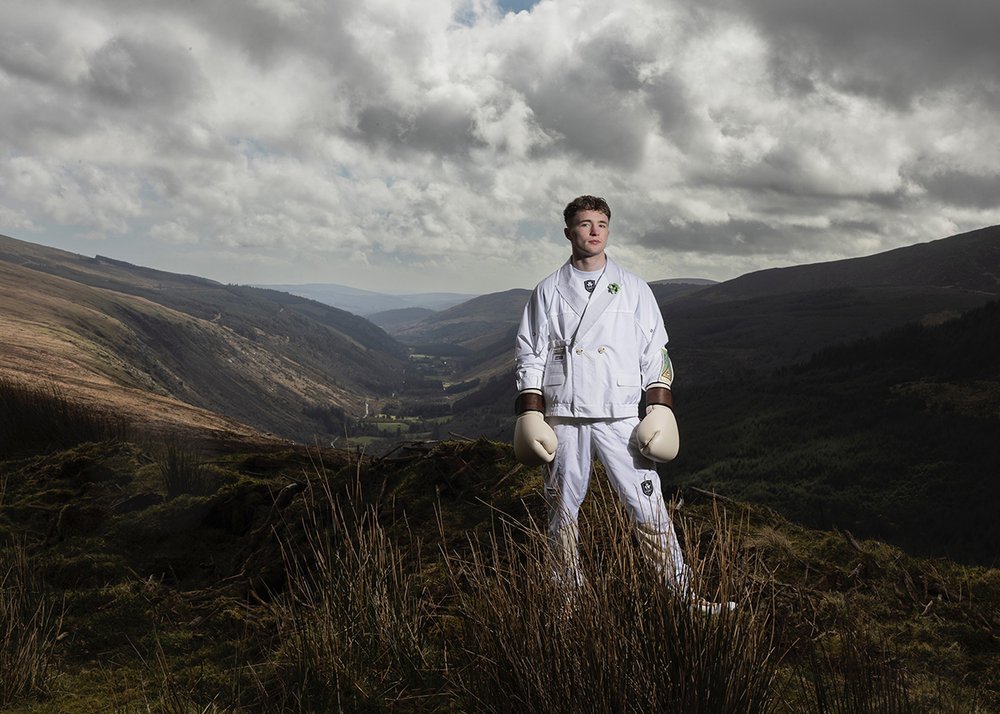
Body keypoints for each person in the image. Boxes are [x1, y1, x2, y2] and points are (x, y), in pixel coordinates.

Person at [512, 195, 733, 614]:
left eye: (601, 223)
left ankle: (685, 598)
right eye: (584, 224)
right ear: (568, 232)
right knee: (561, 516)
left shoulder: (633, 288)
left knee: (649, 510)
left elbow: (656, 352)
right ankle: (566, 606)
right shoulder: (546, 291)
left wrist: (661, 405)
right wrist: (530, 410)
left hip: (620, 414)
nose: (594, 231)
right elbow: (529, 354)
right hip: (565, 414)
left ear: (608, 230)